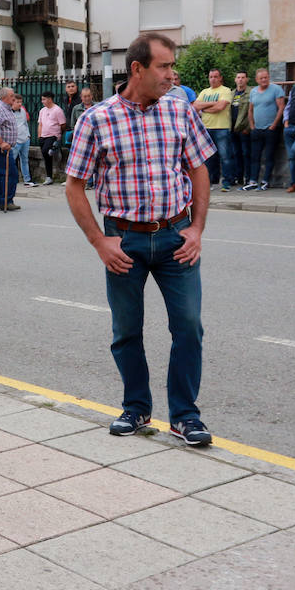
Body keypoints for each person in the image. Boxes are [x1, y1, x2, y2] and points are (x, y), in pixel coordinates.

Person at [64, 32, 215, 448]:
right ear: (137, 69)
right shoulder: (97, 118)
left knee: (188, 327)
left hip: (175, 236)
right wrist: (99, 241)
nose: (172, 74)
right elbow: (74, 187)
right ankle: (136, 407)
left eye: (171, 66)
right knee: (126, 329)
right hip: (124, 241)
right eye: (164, 66)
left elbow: (199, 169)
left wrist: (197, 228)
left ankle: (185, 415)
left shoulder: (180, 112)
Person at [243, 68, 286, 191]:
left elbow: (281, 107)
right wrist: (252, 126)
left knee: (269, 156)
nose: (264, 80)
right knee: (254, 156)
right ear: (257, 80)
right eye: (261, 78)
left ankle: (265, 181)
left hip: (270, 129)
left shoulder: (276, 89)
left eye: (266, 77)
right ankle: (253, 181)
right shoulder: (253, 92)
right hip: (257, 129)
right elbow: (250, 109)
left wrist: (273, 125)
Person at [194, 69, 234, 191]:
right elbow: (195, 106)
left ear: (220, 78)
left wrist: (204, 108)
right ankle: (211, 181)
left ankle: (227, 182)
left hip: (221, 127)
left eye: (216, 76)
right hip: (206, 128)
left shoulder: (226, 90)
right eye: (211, 76)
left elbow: (221, 107)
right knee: (209, 158)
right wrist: (213, 104)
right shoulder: (204, 92)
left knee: (225, 157)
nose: (213, 79)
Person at [0, 86, 21, 212]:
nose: (14, 98)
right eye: (12, 96)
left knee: (0, 175)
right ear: (5, 97)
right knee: (10, 174)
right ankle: (6, 201)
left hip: (3, 148)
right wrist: (1, 143)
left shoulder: (6, 108)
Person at [38, 92, 66, 185]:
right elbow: (40, 124)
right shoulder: (42, 110)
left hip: (53, 135)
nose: (42, 101)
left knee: (46, 151)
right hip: (43, 136)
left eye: (44, 99)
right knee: (45, 155)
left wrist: (58, 135)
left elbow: (63, 124)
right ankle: (49, 176)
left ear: (50, 99)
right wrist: (39, 135)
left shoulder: (57, 110)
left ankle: (55, 149)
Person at [230, 71, 252, 189]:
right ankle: (238, 177)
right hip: (233, 129)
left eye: (243, 77)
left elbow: (252, 111)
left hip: (244, 129)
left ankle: (247, 178)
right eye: (238, 77)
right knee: (235, 154)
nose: (240, 80)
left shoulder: (250, 92)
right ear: (235, 80)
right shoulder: (232, 93)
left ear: (247, 79)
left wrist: (248, 128)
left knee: (246, 154)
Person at [12, 93, 33, 186]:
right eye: (17, 102)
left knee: (24, 160)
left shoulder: (23, 111)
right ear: (12, 102)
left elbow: (25, 123)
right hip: (15, 141)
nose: (20, 104)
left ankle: (27, 179)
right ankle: (11, 179)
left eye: (21, 102)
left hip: (25, 139)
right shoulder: (8, 112)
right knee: (11, 161)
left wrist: (28, 135)